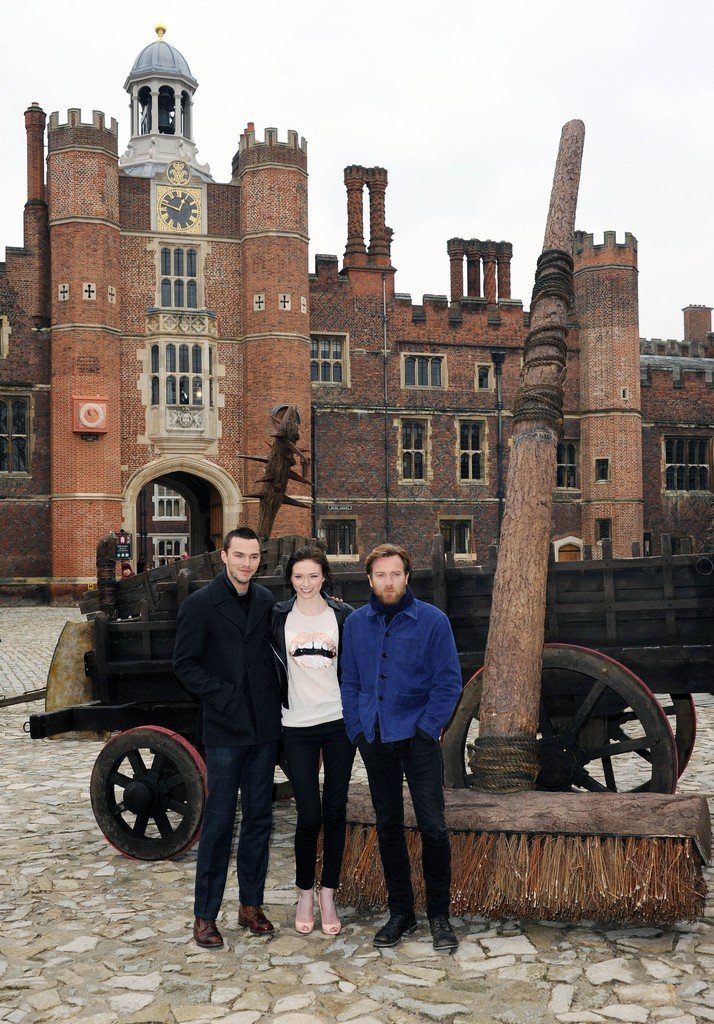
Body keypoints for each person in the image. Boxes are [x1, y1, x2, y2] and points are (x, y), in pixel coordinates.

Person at [340, 543, 463, 951]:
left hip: (418, 738)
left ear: (407, 576)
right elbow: (351, 680)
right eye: (381, 575)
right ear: (370, 579)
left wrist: (428, 728)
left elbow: (448, 681)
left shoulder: (432, 621)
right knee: (388, 826)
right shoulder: (356, 624)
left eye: (395, 574)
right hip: (375, 738)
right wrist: (357, 727)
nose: (388, 582)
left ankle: (439, 916)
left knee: (433, 827)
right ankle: (401, 912)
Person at [173, 526, 282, 948]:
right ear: (224, 556)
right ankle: (205, 916)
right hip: (223, 730)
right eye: (239, 556)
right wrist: (224, 695)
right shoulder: (200, 604)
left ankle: (250, 906)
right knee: (218, 824)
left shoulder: (266, 599)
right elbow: (184, 664)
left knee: (259, 819)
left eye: (253, 557)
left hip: (263, 730)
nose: (246, 564)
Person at [271, 545, 355, 935]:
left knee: (335, 812)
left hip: (337, 723)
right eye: (299, 576)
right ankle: (305, 891)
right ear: (290, 578)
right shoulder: (277, 617)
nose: (306, 584)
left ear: (325, 578)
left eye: (313, 576)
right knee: (309, 814)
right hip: (296, 725)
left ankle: (328, 894)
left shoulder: (343, 616)